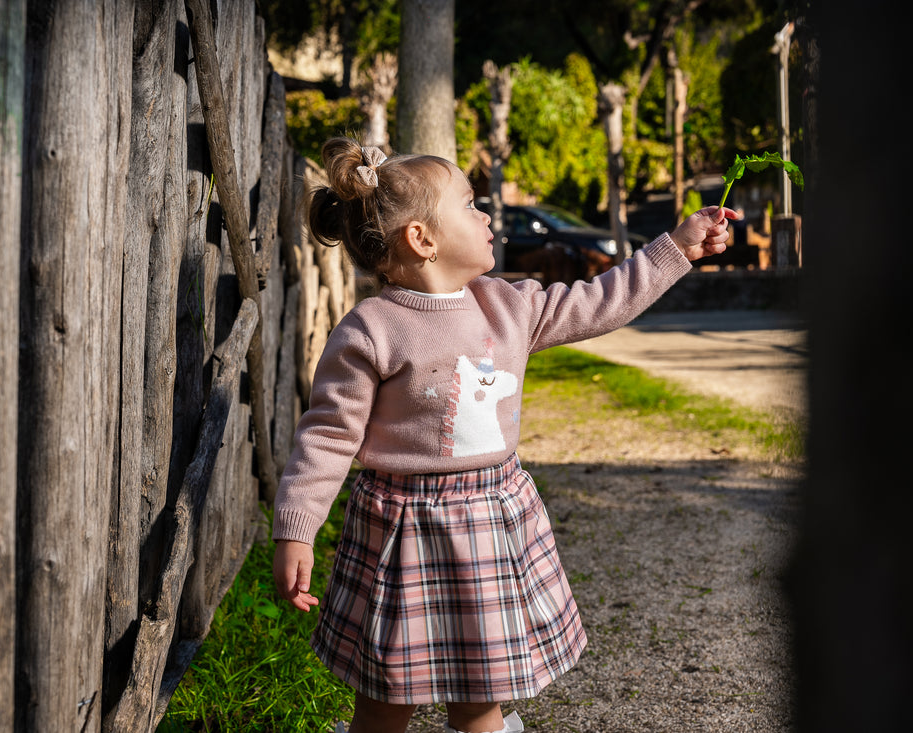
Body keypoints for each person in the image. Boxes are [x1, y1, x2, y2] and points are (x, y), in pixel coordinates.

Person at [272, 136, 739, 733]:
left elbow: (602, 301)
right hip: (401, 534)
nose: (488, 216)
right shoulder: (371, 331)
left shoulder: (507, 307)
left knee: (480, 695)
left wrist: (678, 248)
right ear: (422, 239)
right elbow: (327, 437)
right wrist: (296, 530)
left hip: (490, 527)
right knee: (386, 695)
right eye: (470, 205)